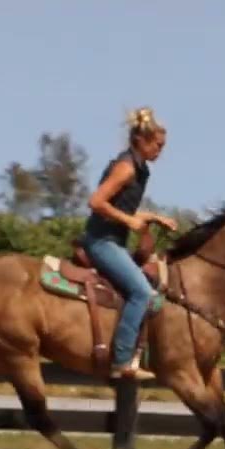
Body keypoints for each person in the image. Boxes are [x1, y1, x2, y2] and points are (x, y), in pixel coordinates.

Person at [82, 106, 177, 381]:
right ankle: (122, 360)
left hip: (114, 240)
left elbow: (121, 208)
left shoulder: (139, 168)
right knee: (142, 292)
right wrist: (130, 222)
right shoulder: (125, 168)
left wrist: (154, 217)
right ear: (141, 141)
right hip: (102, 241)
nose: (161, 151)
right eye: (158, 145)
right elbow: (96, 201)